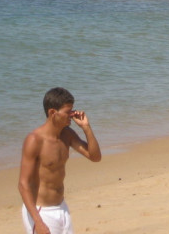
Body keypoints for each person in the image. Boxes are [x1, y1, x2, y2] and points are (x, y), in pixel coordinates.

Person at [19, 87, 101, 234]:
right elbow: (23, 184)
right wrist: (38, 221)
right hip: (41, 211)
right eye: (67, 111)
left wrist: (86, 128)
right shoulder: (34, 140)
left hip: (62, 208)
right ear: (52, 113)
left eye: (72, 110)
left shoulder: (67, 135)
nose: (72, 114)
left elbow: (95, 157)